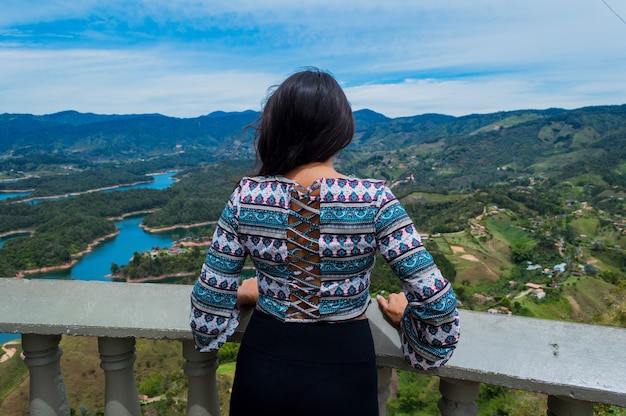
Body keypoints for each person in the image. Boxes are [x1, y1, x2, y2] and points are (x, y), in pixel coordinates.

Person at [190, 68, 459, 416]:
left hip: (264, 366)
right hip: (345, 368)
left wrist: (250, 292)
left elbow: (207, 308)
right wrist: (407, 317)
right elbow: (438, 304)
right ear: (341, 131)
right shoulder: (374, 199)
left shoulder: (246, 197)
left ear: (276, 127)